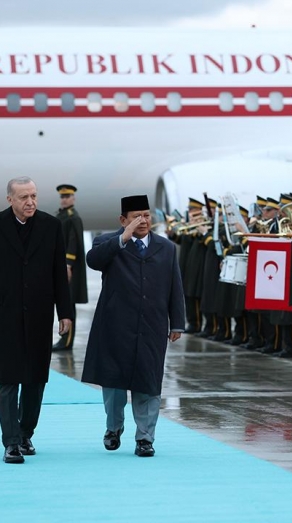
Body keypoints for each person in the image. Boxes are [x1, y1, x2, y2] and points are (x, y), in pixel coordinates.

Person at [83, 195, 185, 458]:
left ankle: (145, 437)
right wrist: (123, 238)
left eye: (146, 215)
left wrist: (177, 322)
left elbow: (175, 286)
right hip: (115, 325)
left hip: (151, 325)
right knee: (114, 382)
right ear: (123, 220)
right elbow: (93, 261)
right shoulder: (107, 242)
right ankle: (113, 427)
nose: (143, 220)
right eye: (136, 216)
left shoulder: (166, 247)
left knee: (148, 382)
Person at [0, 177, 72, 464]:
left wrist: (65, 312)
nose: (30, 202)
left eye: (34, 196)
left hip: (40, 315)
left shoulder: (51, 226)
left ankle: (25, 432)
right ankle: (11, 443)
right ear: (10, 200)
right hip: (5, 316)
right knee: (7, 380)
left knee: (35, 380)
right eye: (24, 197)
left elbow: (59, 273)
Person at [53, 184, 88, 351]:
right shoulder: (61, 216)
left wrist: (68, 265)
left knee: (68, 304)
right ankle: (63, 338)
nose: (64, 199)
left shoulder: (73, 217)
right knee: (63, 303)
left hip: (68, 268)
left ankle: (66, 341)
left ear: (73, 198)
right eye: (62, 197)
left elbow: (73, 243)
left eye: (67, 197)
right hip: (59, 267)